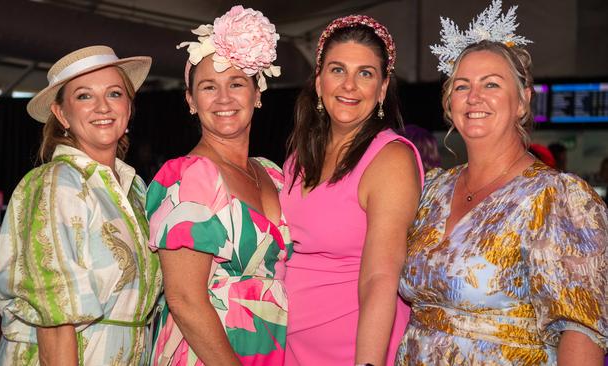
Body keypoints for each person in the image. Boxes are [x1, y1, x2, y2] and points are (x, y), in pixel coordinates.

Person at [397, 1, 608, 364]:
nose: (474, 96)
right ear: (449, 104)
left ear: (523, 101)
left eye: (491, 84)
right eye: (462, 86)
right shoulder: (430, 190)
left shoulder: (558, 198)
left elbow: (582, 332)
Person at [0, 46, 162, 365]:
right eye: (84, 96)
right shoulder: (54, 184)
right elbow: (55, 322)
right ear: (61, 114)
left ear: (129, 105)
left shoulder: (137, 190)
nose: (102, 107)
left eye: (114, 93)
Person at [146, 6, 289, 365]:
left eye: (236, 84)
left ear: (257, 93)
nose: (224, 99)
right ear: (191, 101)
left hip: (270, 350)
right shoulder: (188, 176)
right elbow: (184, 301)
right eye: (209, 87)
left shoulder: (272, 173)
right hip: (206, 355)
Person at [281, 15, 424, 365]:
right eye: (337, 70)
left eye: (365, 73)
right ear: (318, 81)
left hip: (353, 348)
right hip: (291, 347)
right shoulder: (299, 156)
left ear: (383, 87)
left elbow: (380, 278)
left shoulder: (390, 159)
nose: (349, 85)